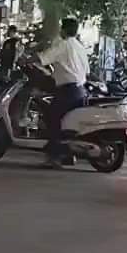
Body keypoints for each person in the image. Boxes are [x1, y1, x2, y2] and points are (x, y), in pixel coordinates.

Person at [35, 17, 90, 168]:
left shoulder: (63, 45)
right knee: (68, 124)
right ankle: (68, 155)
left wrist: (26, 59)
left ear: (64, 30)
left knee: (51, 117)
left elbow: (43, 58)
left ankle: (54, 157)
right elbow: (87, 70)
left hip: (68, 91)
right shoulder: (79, 47)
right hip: (80, 90)